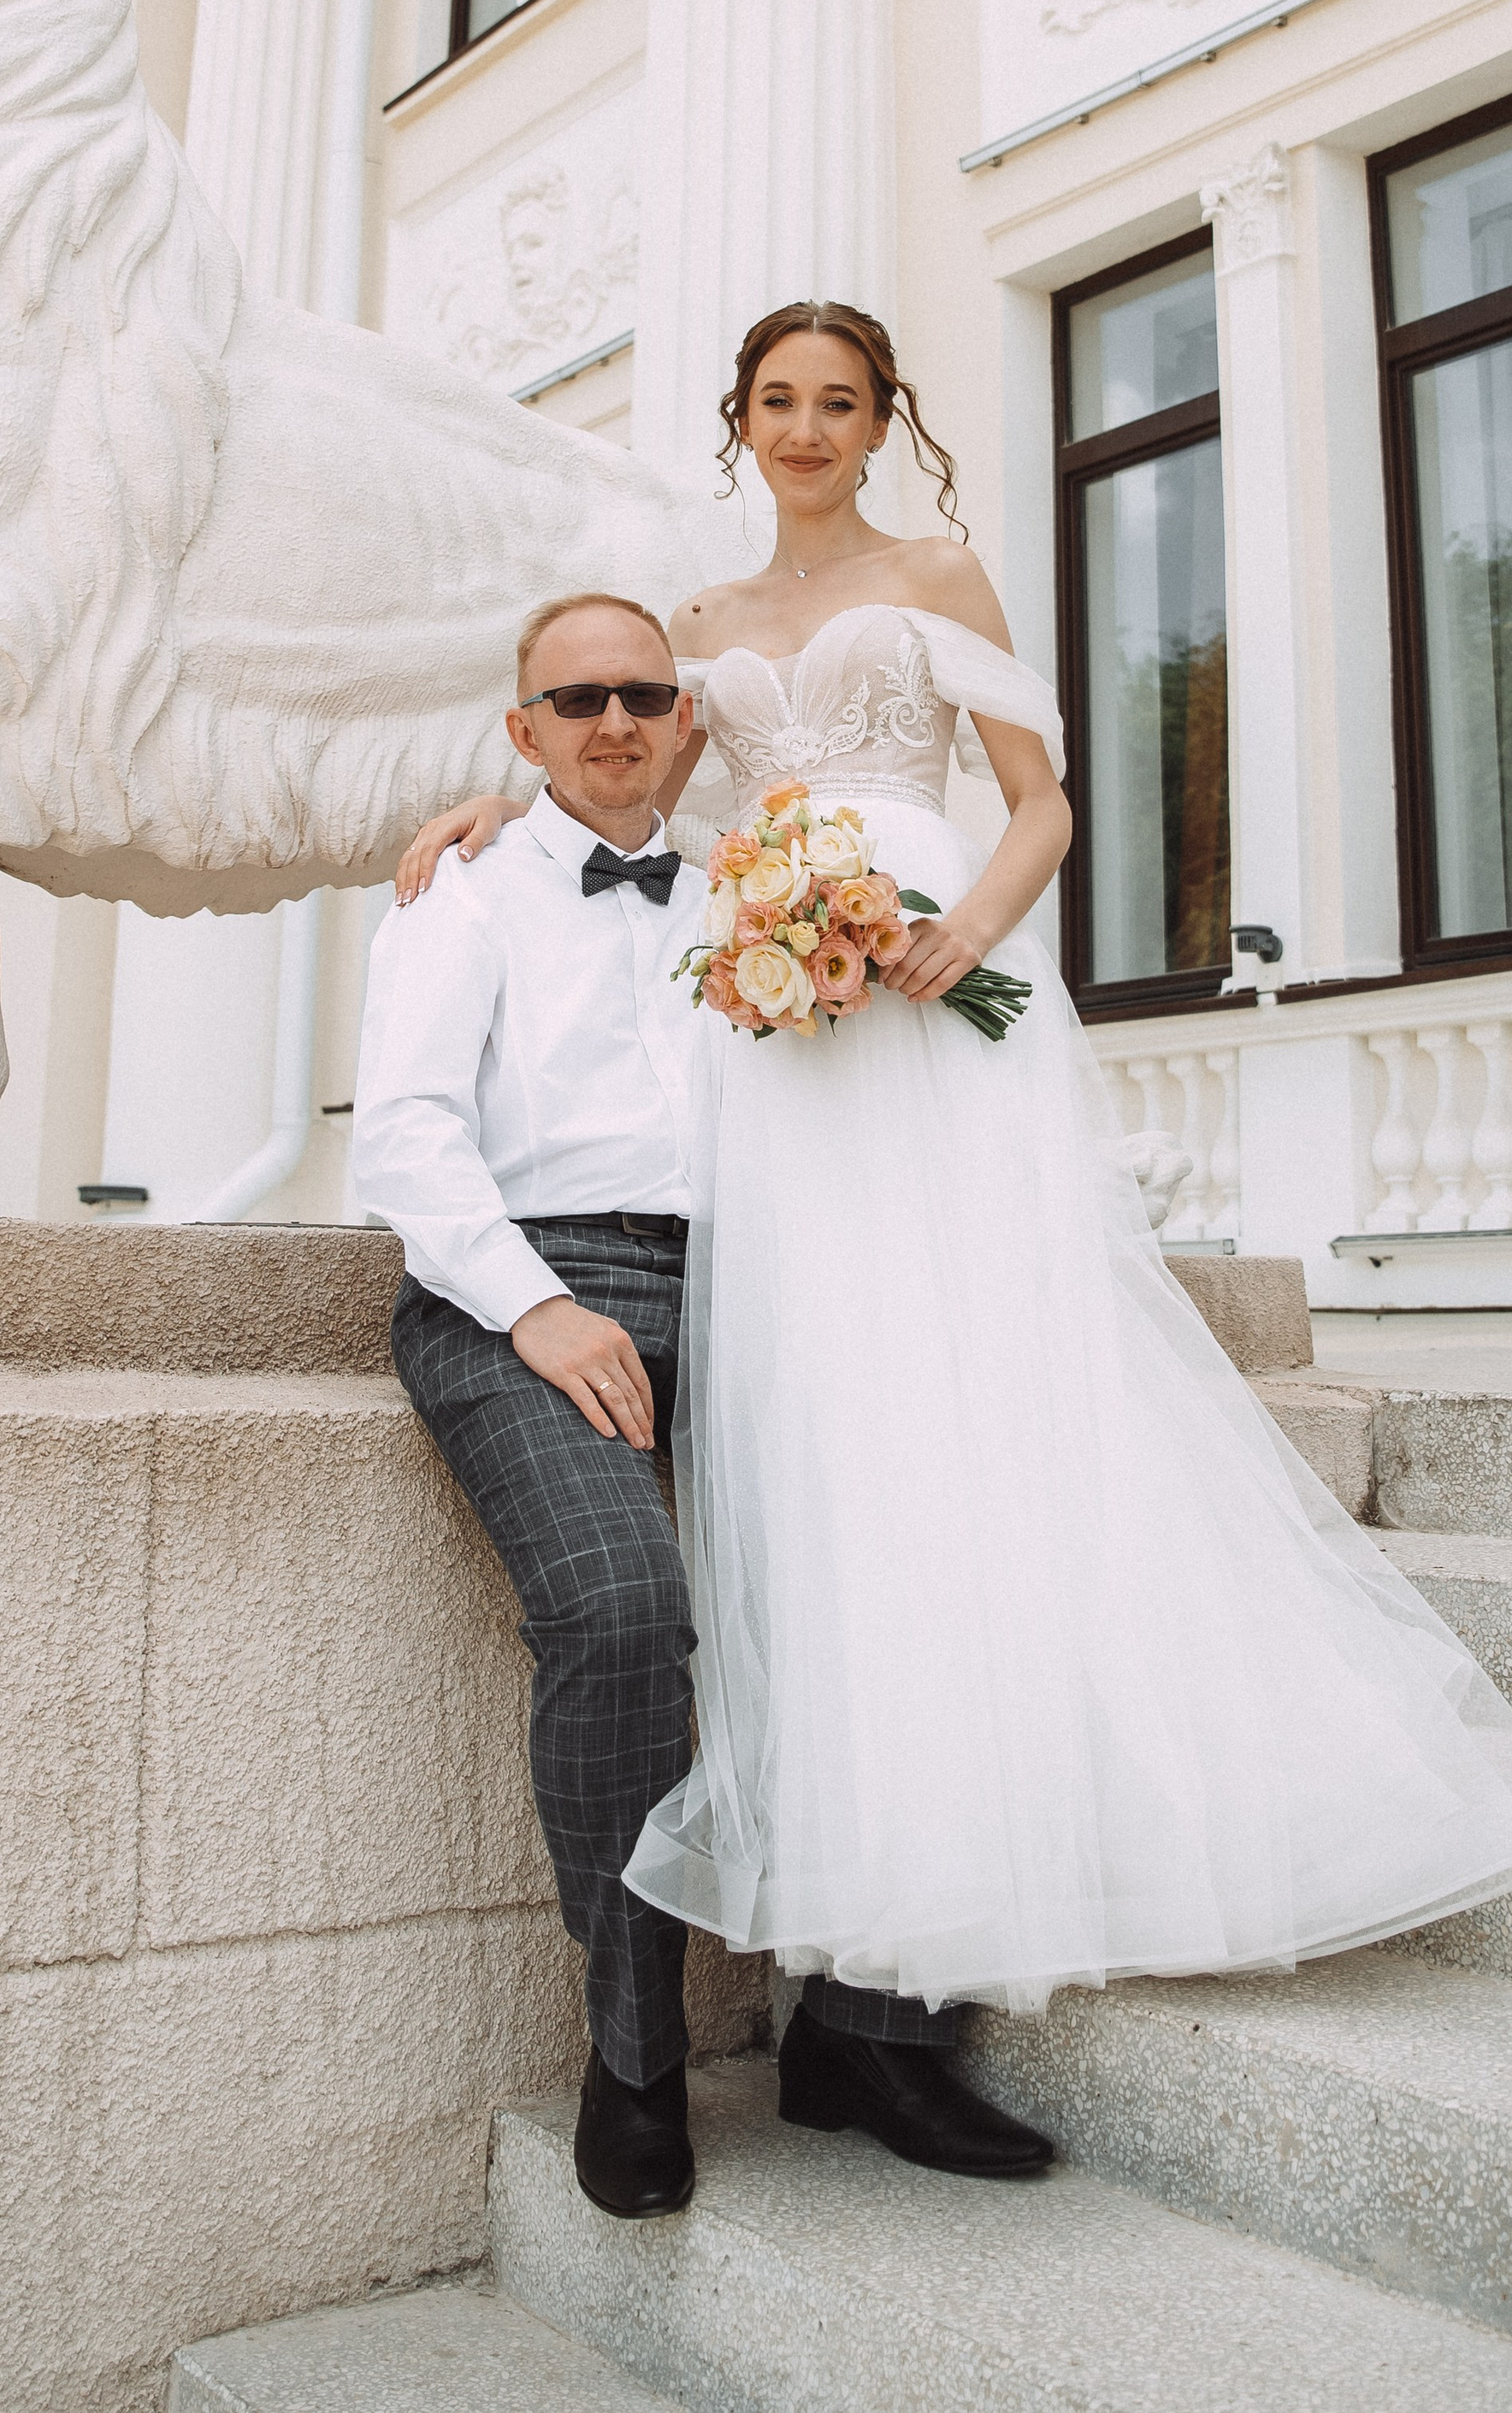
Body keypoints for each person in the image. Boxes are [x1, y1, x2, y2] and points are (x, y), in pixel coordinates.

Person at [396, 304, 1512, 2165]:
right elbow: (637, 793)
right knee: (829, 1483)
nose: (806, 428)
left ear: (883, 422)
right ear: (739, 422)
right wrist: (491, 801)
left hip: (937, 1002)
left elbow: (1040, 801)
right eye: (777, 401)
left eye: (838, 402)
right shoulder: (691, 630)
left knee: (960, 1431)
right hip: (785, 1048)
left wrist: (966, 934)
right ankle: (845, 1996)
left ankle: (900, 2004)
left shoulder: (939, 574)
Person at [351, 585, 1053, 2227]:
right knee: (621, 1612)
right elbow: (404, 1136)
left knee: (901, 1591)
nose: (614, 723)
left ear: (688, 723)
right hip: (523, 1291)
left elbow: (925, 1032)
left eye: (643, 698)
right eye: (575, 702)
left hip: (755, 1284)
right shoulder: (463, 896)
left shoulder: (759, 882)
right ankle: (636, 2049)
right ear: (523, 733)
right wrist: (535, 1307)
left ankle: (867, 2037)